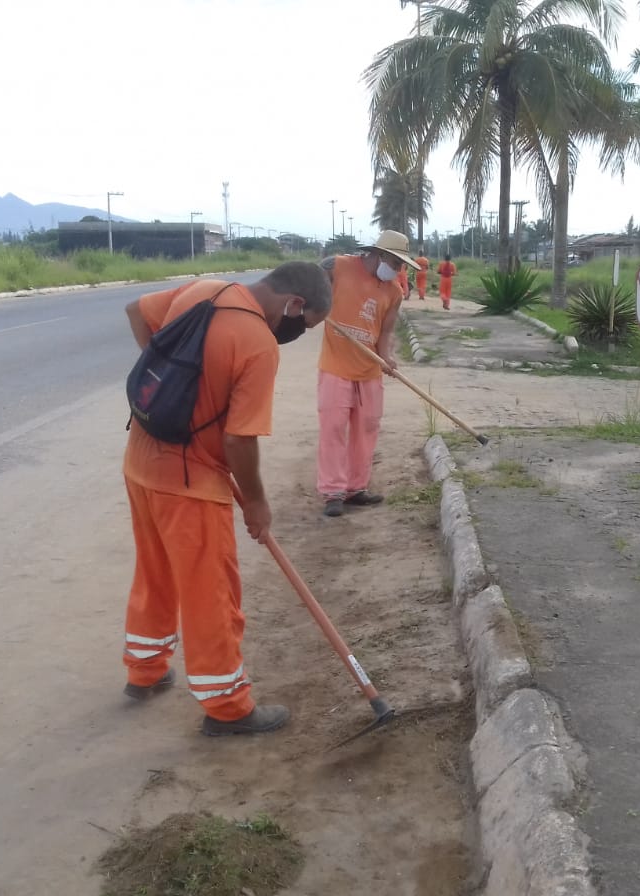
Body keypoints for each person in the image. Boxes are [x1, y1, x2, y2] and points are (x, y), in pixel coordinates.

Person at [121, 262, 332, 736]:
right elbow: (239, 440)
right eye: (304, 324)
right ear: (294, 304)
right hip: (191, 486)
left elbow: (137, 311)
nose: (296, 333)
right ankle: (227, 707)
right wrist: (256, 503)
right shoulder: (256, 342)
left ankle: (144, 673)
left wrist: (169, 389)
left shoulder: (204, 290)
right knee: (210, 595)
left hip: (140, 463)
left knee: (154, 573)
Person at [317, 229, 419, 517]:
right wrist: (315, 309)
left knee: (367, 428)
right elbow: (311, 288)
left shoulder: (394, 292)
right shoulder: (336, 266)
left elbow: (385, 332)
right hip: (335, 366)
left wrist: (386, 357)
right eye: (396, 262)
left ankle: (356, 488)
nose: (398, 269)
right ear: (379, 254)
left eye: (401, 265)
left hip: (369, 369)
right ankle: (333, 491)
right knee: (334, 427)